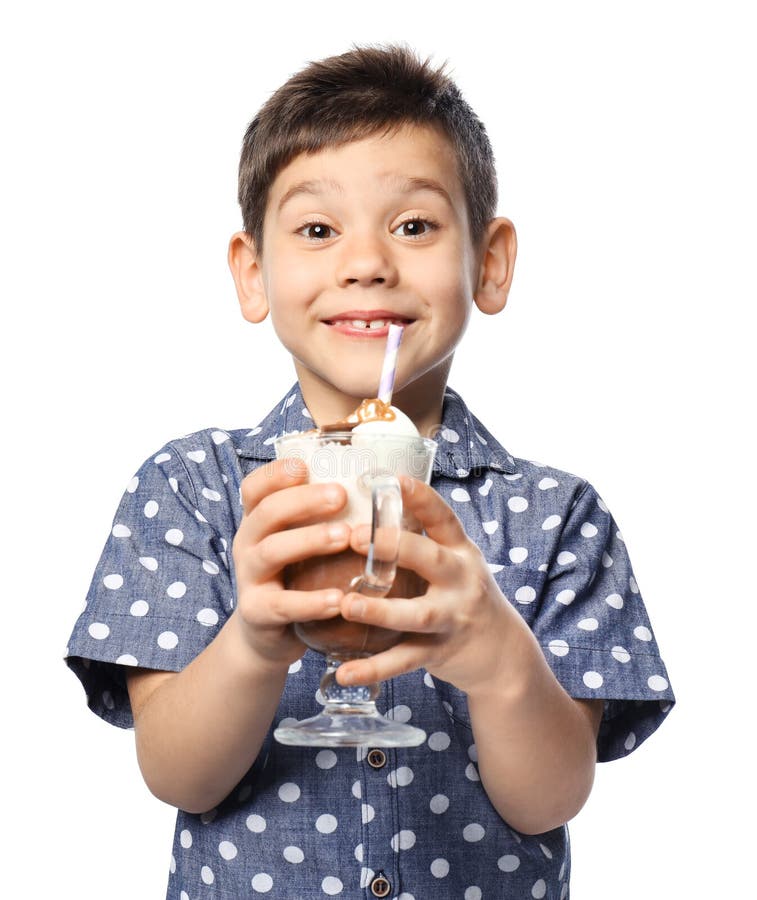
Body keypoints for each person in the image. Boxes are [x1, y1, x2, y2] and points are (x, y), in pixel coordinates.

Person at [65, 44, 674, 899]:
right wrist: (250, 640)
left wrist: (499, 658)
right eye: (317, 230)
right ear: (252, 273)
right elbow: (177, 776)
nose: (366, 263)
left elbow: (548, 800)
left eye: (414, 225)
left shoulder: (554, 516)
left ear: (489, 263)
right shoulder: (194, 490)